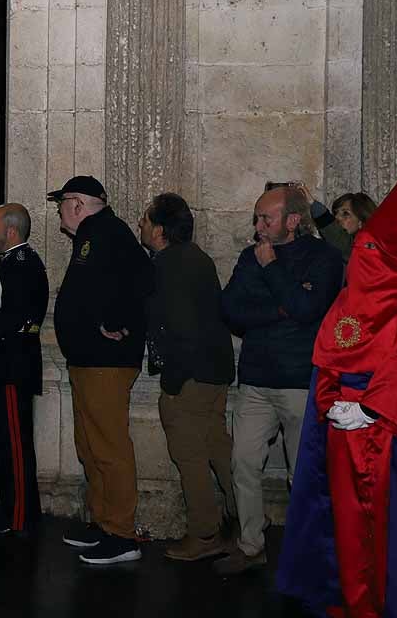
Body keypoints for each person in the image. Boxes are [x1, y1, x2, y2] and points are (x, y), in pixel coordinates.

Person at [278, 105, 397, 617]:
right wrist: (332, 403)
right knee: (344, 533)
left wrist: (373, 410)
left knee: (392, 537)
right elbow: (328, 361)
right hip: (343, 441)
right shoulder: (347, 302)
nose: (358, 258)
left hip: (392, 446)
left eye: (367, 250)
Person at [214, 185, 344, 576]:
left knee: (302, 473)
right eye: (256, 217)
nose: (258, 227)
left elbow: (307, 309)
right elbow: (231, 309)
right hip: (255, 378)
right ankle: (251, 545)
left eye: (265, 219)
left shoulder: (323, 257)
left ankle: (310, 553)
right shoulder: (248, 256)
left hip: (300, 381)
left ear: (292, 220)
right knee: (243, 464)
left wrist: (271, 270)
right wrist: (283, 306)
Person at [50, 175, 153, 565]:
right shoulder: (95, 233)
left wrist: (118, 320)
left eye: (62, 202)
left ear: (77, 204)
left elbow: (143, 280)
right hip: (88, 359)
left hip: (105, 361)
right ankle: (103, 521)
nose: (59, 209)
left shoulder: (106, 230)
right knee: (90, 445)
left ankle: (122, 534)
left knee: (109, 447)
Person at [139, 193, 236, 561]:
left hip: (191, 376)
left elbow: (181, 328)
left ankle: (204, 534)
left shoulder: (169, 265)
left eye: (146, 221)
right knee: (218, 449)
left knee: (190, 456)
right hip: (214, 371)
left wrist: (173, 382)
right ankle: (244, 523)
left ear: (160, 230)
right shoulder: (195, 258)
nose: (141, 226)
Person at [0, 202, 48, 537]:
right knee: (4, 443)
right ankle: (10, 509)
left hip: (12, 364)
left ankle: (21, 518)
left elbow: (9, 319)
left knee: (16, 446)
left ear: (11, 230)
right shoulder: (10, 263)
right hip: (4, 363)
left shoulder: (21, 265)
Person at [301, 184, 377, 262]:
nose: (337, 217)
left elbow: (341, 241)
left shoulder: (366, 249)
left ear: (361, 222)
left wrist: (312, 203)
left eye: (345, 214)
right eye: (336, 213)